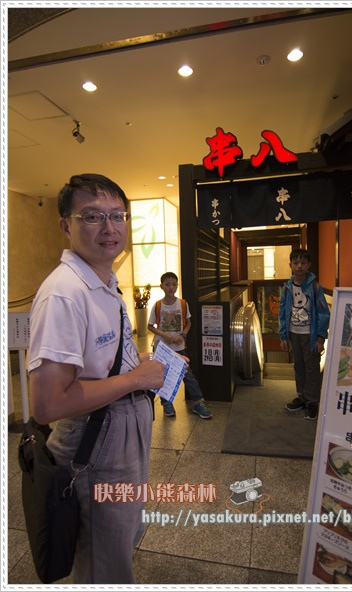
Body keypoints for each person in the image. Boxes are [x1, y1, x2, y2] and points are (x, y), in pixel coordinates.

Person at [28, 173, 166, 584]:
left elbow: (95, 361)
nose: (109, 228)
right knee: (103, 565)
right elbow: (47, 404)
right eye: (91, 216)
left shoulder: (103, 280)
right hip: (96, 440)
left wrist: (135, 364)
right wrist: (135, 379)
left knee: (117, 543)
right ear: (65, 225)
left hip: (118, 430)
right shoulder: (64, 294)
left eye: (117, 215)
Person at [147, 272, 213, 419]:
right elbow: (150, 326)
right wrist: (164, 335)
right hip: (162, 347)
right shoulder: (157, 305)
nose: (171, 287)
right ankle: (167, 404)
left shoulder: (183, 304)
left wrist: (182, 335)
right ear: (161, 286)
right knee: (164, 376)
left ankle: (198, 402)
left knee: (187, 375)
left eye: (174, 284)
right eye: (167, 284)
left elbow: (189, 322)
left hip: (180, 347)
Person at [279, 248, 330, 420]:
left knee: (312, 368)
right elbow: (282, 314)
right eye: (295, 263)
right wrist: (283, 336)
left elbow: (324, 313)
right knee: (298, 367)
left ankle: (312, 401)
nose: (299, 266)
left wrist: (320, 337)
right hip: (294, 334)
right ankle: (302, 397)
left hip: (310, 334)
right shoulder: (287, 287)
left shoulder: (315, 286)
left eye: (302, 262)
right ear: (290, 265)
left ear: (309, 265)